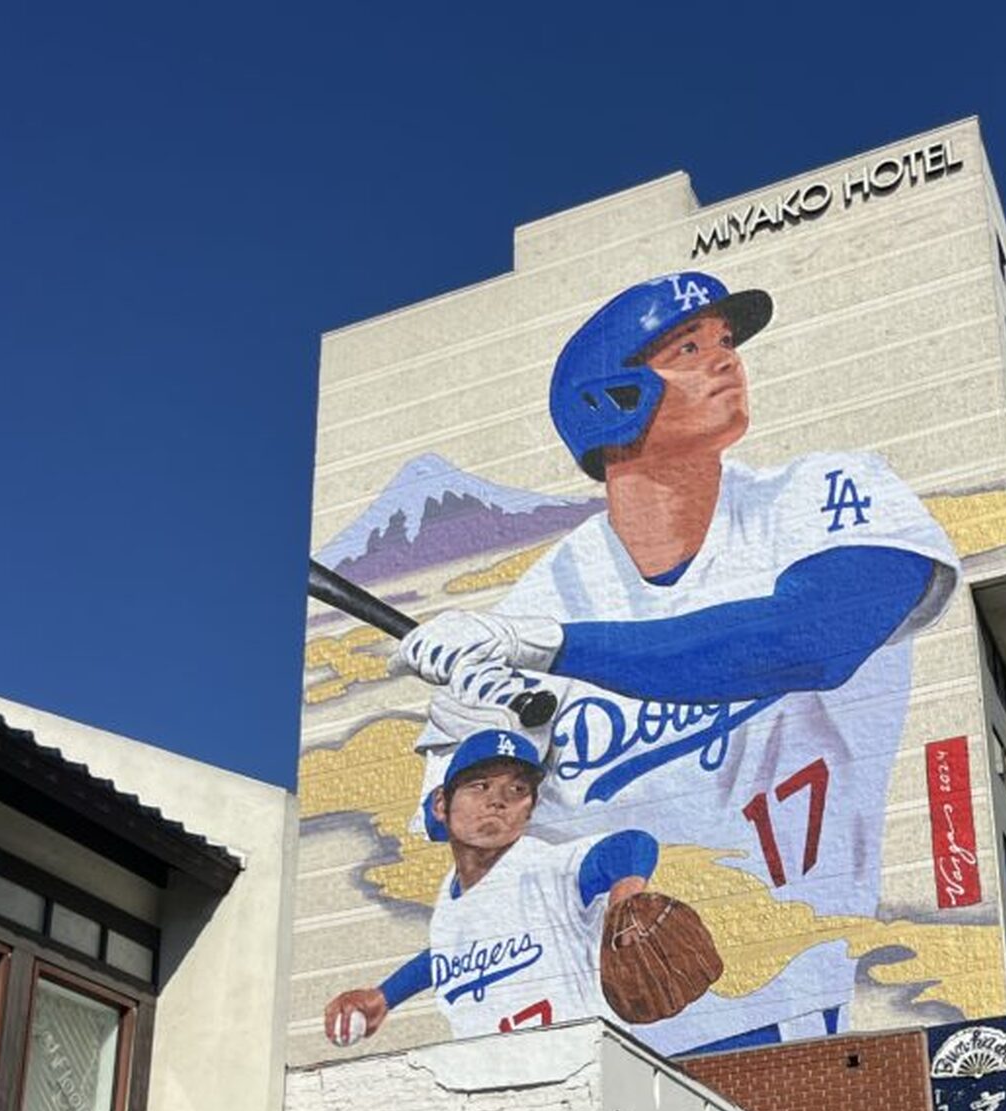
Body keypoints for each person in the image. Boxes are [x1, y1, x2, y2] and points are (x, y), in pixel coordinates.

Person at [394, 270, 963, 1056]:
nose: (725, 360)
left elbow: (813, 640)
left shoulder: (820, 494)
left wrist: (554, 648)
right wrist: (471, 740)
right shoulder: (530, 603)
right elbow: (456, 840)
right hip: (593, 1044)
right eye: (687, 349)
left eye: (726, 343)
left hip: (786, 1013)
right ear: (610, 399)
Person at [323, 729, 656, 1045]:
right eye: (479, 785)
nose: (498, 801)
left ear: (530, 809)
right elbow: (445, 953)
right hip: (495, 1086)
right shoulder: (450, 897)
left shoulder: (542, 867)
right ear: (441, 804)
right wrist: (385, 996)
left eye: (517, 790)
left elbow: (631, 846)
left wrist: (625, 906)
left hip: (580, 1072)